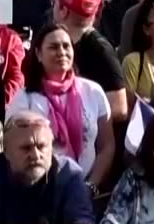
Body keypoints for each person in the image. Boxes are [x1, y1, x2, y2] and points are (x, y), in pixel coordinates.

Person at [15, 26, 115, 195]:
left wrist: (90, 186)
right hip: (41, 192)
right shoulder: (24, 99)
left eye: (66, 46)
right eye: (53, 47)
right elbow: (16, 151)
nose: (61, 52)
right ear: (39, 54)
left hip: (86, 191)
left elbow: (107, 146)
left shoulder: (93, 91)